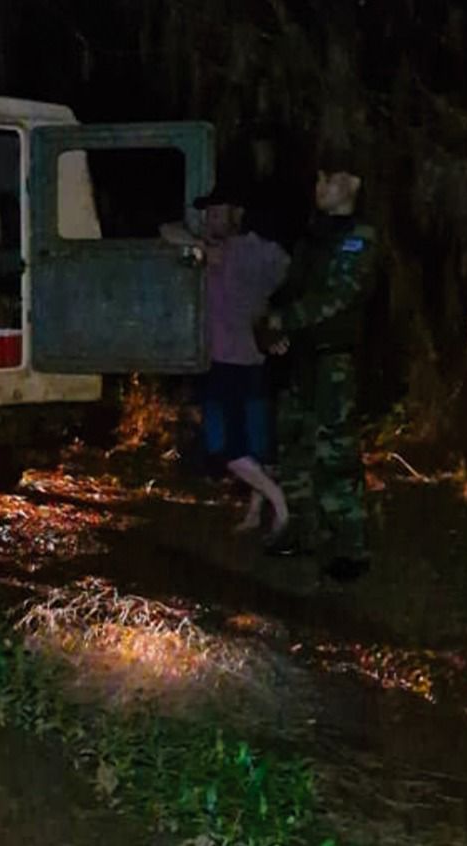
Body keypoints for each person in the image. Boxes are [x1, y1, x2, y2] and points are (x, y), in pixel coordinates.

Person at [262, 167, 377, 582]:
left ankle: (350, 546)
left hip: (334, 360)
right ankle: (301, 531)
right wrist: (271, 328)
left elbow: (340, 296)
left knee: (336, 455)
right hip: (302, 358)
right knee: (293, 445)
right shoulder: (313, 237)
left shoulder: (358, 237)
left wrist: (284, 320)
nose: (320, 188)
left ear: (353, 185)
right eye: (318, 180)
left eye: (329, 180)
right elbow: (290, 288)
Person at [165, 186, 293, 536]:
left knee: (225, 446)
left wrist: (203, 245)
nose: (211, 220)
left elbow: (171, 233)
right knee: (253, 444)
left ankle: (280, 504)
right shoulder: (240, 251)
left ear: (236, 215)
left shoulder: (241, 252)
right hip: (245, 360)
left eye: (218, 213)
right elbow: (168, 231)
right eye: (209, 214)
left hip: (230, 362)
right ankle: (256, 512)